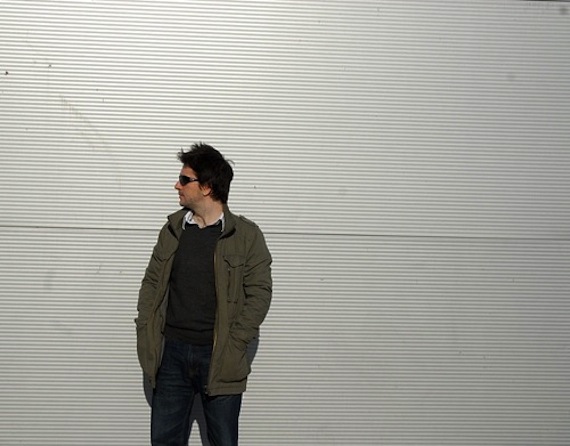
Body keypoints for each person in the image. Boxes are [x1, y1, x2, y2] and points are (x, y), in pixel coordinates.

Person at [135, 142, 272, 446]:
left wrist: (235, 342)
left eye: (185, 179)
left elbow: (260, 294)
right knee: (164, 440)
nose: (177, 185)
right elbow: (152, 282)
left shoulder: (246, 236)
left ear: (207, 187)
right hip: (170, 355)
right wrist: (145, 325)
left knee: (223, 440)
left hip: (219, 357)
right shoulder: (172, 229)